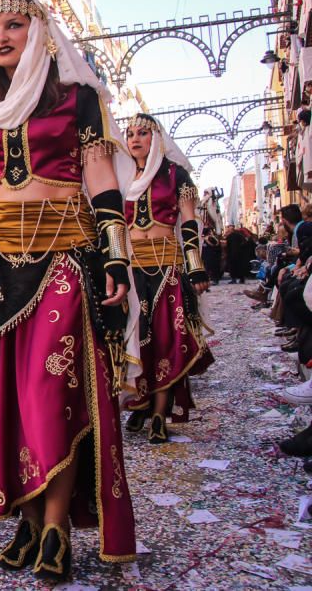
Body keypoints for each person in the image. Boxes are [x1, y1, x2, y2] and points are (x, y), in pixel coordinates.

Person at [0, 0, 137, 579]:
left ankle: (58, 524)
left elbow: (97, 172)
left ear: (39, 32)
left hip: (63, 258)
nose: (0, 36)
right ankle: (29, 517)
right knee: (7, 400)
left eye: (14, 24)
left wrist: (116, 259)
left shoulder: (77, 99)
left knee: (51, 392)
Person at [121, 114, 213, 442]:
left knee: (166, 339)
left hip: (167, 266)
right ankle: (141, 403)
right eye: (130, 133)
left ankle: (160, 412)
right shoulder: (118, 174)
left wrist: (195, 265)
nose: (134, 138)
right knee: (136, 338)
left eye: (142, 133)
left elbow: (189, 223)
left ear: (156, 137)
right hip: (131, 268)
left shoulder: (177, 175)